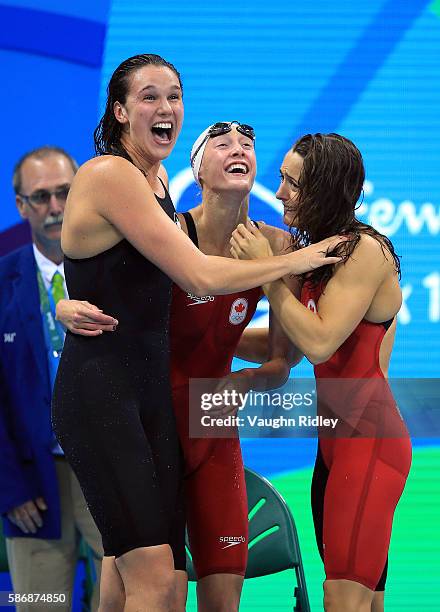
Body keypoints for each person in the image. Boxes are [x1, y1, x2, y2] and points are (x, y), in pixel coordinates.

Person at [51, 54, 343, 612]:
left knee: (144, 577)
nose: (166, 108)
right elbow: (199, 275)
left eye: (175, 96)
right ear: (118, 111)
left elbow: (141, 295)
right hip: (103, 394)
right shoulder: (110, 174)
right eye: (149, 97)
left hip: (153, 402)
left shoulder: (156, 179)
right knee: (156, 580)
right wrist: (290, 261)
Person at [230, 133, 412, 612]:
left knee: (341, 600)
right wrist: (205, 342)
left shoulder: (366, 251)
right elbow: (286, 349)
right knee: (362, 601)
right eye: (282, 179)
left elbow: (319, 340)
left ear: (325, 189)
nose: (281, 192)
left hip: (369, 446)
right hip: (334, 449)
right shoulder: (318, 253)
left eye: (292, 182)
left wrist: (268, 272)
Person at [0, 146, 103, 611]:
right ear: (20, 205)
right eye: (41, 197)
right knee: (40, 605)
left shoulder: (118, 269)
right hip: (32, 482)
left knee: (127, 600)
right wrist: (9, 488)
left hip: (110, 470)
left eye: (65, 192)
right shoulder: (2, 281)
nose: (56, 207)